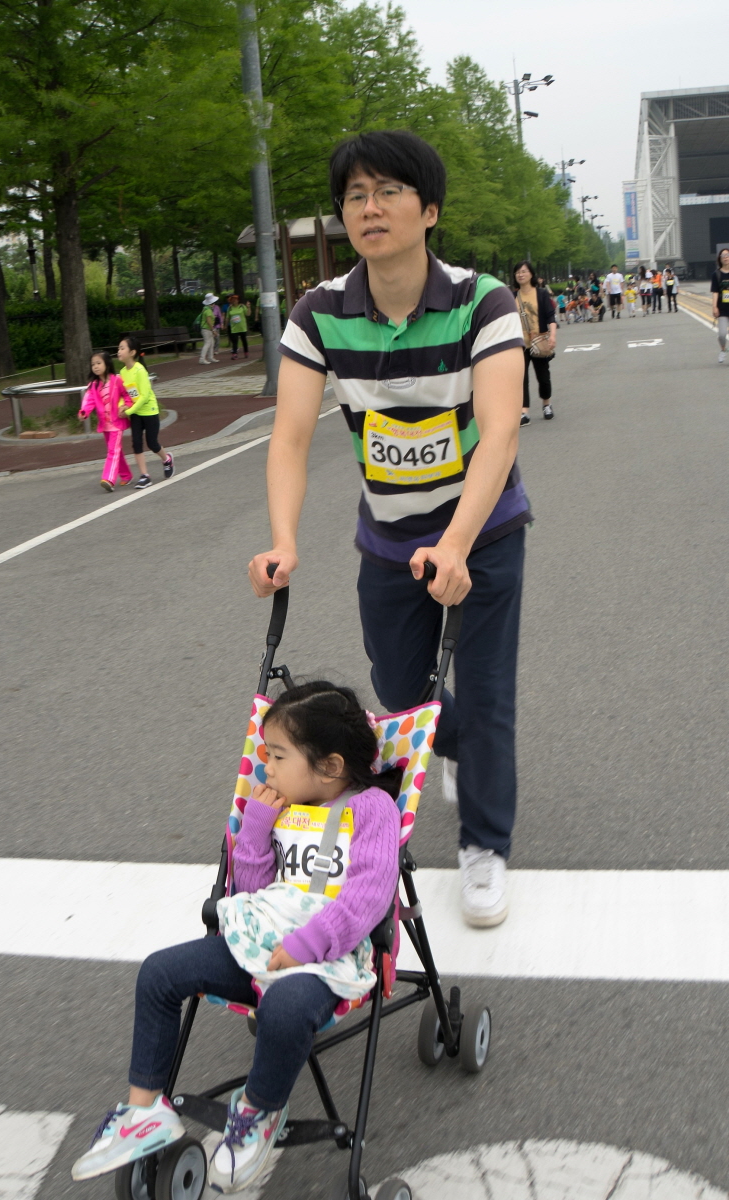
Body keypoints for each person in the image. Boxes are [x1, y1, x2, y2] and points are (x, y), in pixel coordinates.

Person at [249, 129, 529, 929]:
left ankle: (484, 845)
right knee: (404, 698)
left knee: (486, 695)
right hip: (389, 540)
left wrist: (458, 543)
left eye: (389, 192)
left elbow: (499, 432)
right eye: (355, 196)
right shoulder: (319, 314)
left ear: (429, 209)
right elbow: (290, 438)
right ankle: (455, 746)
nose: (370, 209)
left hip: (484, 532)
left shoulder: (484, 303)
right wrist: (283, 539)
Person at [70, 681, 401, 1194]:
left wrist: (307, 944)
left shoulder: (371, 809)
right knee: (159, 973)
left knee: (285, 1010)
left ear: (330, 766)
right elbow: (251, 894)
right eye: (266, 754)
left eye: (278, 756)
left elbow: (369, 895)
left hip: (329, 954)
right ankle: (143, 1112)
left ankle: (259, 1112)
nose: (265, 767)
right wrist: (256, 829)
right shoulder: (280, 804)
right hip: (262, 936)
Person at [117, 336, 174, 489]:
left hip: (149, 411)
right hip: (135, 413)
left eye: (122, 348)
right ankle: (144, 476)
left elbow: (144, 396)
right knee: (136, 443)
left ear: (132, 352)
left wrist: (129, 410)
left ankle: (167, 459)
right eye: (118, 348)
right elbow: (124, 394)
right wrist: (122, 406)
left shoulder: (140, 370)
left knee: (152, 443)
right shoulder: (122, 372)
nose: (119, 351)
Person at [78, 352, 133, 492]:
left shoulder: (117, 380)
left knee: (113, 451)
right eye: (93, 364)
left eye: (98, 363)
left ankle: (108, 479)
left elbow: (128, 395)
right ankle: (126, 475)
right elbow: (88, 401)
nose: (95, 367)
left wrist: (126, 406)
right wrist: (84, 412)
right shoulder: (93, 385)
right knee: (116, 451)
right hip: (105, 424)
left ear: (107, 364)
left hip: (117, 422)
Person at [513, 260, 557, 424]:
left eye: (524, 271)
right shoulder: (512, 296)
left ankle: (547, 404)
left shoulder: (541, 294)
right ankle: (524, 411)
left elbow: (550, 316)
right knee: (521, 378)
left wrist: (552, 336)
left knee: (543, 377)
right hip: (519, 344)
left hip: (539, 341)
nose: (521, 274)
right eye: (518, 272)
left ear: (531, 273)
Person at [711, 248, 729, 363]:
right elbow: (715, 292)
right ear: (720, 259)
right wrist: (714, 307)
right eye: (723, 255)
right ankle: (723, 350)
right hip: (722, 309)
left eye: (727, 255)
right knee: (722, 334)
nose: (726, 257)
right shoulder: (716, 274)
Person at [226, 294, 252, 359]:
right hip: (234, 328)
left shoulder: (242, 306)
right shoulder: (230, 308)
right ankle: (234, 353)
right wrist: (225, 325)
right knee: (234, 341)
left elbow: (248, 314)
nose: (234, 301)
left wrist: (248, 307)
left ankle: (246, 352)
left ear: (238, 300)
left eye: (235, 300)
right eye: (232, 300)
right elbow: (227, 317)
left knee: (244, 340)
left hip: (242, 327)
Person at [198, 292, 218, 364]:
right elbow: (209, 321)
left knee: (211, 343)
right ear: (211, 303)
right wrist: (213, 330)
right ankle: (202, 359)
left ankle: (210, 357)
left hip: (207, 329)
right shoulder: (208, 310)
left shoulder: (205, 309)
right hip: (207, 329)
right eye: (213, 303)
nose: (214, 304)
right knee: (207, 343)